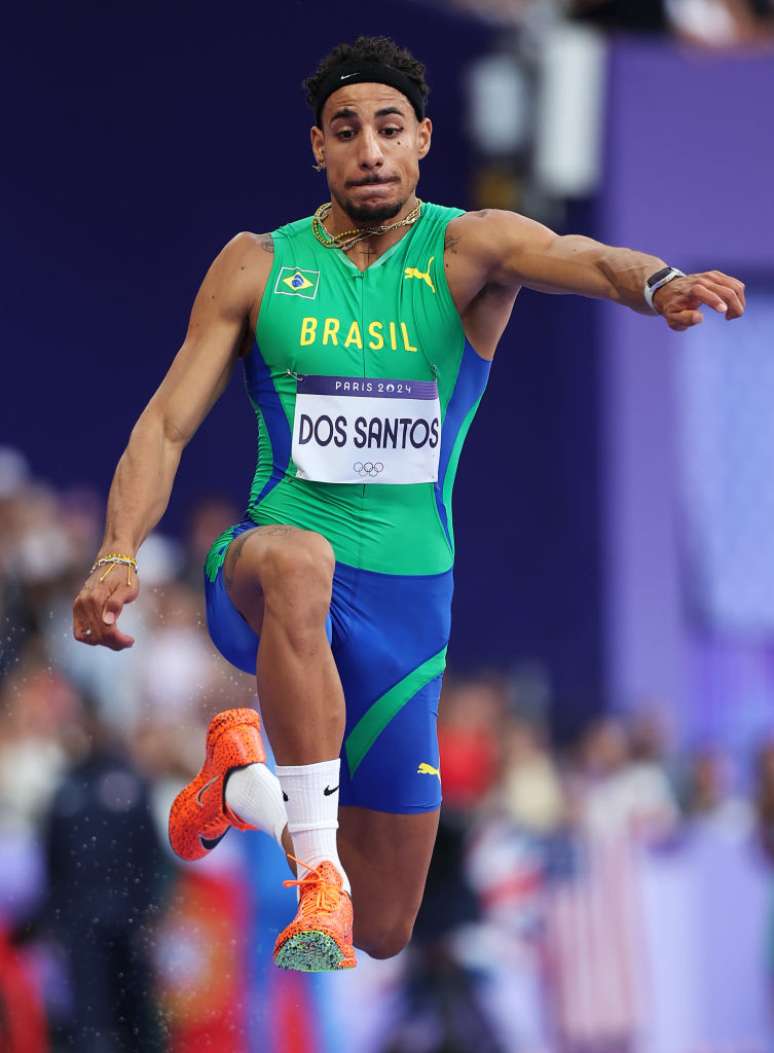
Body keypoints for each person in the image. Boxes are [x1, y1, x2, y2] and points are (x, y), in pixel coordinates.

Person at [72, 35, 745, 973]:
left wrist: (659, 280)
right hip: (267, 575)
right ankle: (316, 876)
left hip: (407, 613)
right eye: (346, 131)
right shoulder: (258, 265)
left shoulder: (469, 249)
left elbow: (577, 255)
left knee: (385, 927)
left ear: (423, 138)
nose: (370, 150)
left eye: (389, 129)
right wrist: (115, 553)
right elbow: (164, 427)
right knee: (299, 558)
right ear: (318, 148)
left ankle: (242, 785)